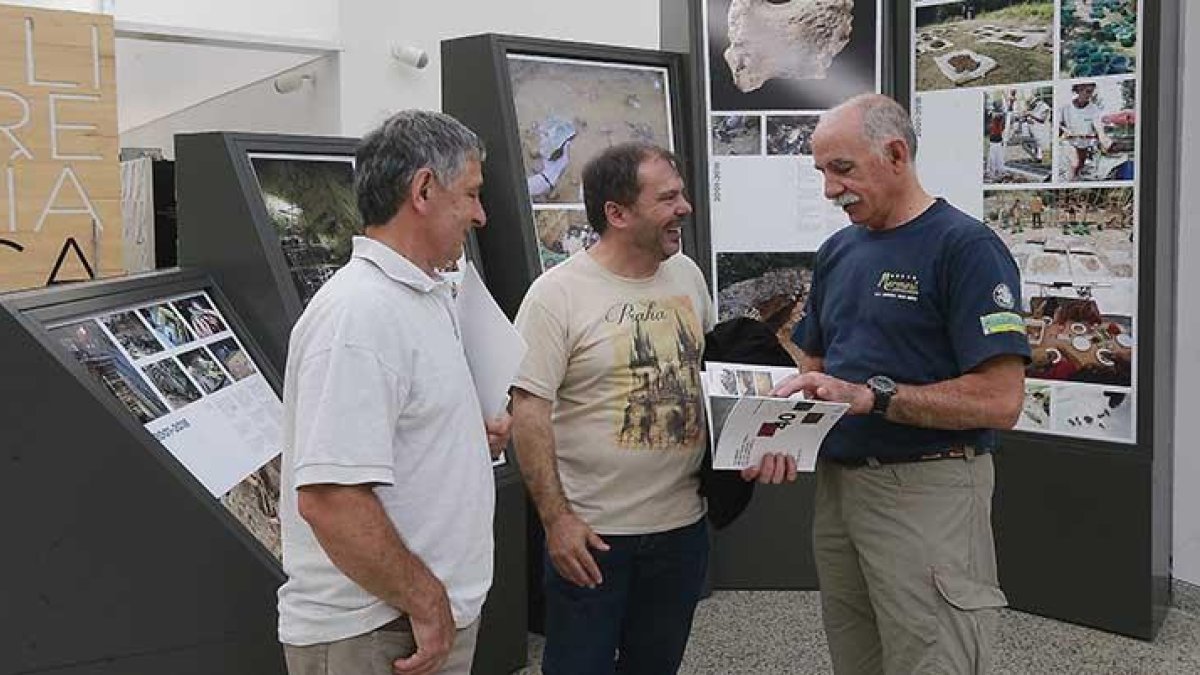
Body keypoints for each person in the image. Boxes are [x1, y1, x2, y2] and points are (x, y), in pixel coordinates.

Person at [768, 94, 1030, 674]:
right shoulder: (837, 251)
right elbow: (816, 366)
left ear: (895, 154)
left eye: (842, 169)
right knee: (856, 658)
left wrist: (874, 397)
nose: (830, 190)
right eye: (821, 172)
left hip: (928, 489)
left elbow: (1001, 400)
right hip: (839, 492)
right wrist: (777, 431)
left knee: (934, 658)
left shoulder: (967, 248)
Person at [276, 110, 511, 675]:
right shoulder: (359, 314)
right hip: (378, 631)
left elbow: (395, 432)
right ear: (423, 189)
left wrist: (462, 439)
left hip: (411, 619)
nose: (480, 215)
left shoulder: (418, 295)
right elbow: (330, 499)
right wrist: (426, 602)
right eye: (471, 194)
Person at [510, 142, 725, 674]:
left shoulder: (688, 277)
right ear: (618, 213)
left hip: (682, 530)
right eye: (667, 198)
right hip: (592, 537)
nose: (685, 208)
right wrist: (557, 521)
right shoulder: (555, 296)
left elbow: (712, 381)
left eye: (681, 194)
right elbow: (528, 413)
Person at [1059, 82, 1113, 181]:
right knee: (1074, 164)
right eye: (1088, 92)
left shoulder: (1094, 109)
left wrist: (1104, 140)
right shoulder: (1065, 107)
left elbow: (1099, 128)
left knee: (1079, 168)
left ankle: (1072, 182)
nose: (1090, 95)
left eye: (1091, 92)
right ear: (1079, 90)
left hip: (1084, 145)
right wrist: (1064, 131)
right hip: (1069, 142)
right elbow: (1057, 125)